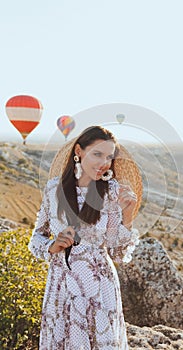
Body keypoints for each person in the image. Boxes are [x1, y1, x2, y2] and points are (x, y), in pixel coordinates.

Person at [28, 125, 141, 350]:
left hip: (99, 288)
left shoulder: (111, 192)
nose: (103, 163)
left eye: (109, 157)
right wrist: (51, 246)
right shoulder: (53, 190)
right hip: (60, 285)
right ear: (79, 151)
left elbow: (117, 253)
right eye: (97, 154)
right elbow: (35, 240)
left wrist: (127, 217)